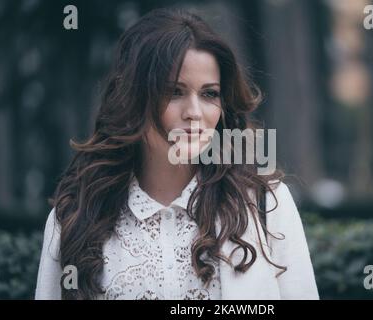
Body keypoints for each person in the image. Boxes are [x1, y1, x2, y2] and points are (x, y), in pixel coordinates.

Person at [35, 7, 319, 300]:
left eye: (209, 94)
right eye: (174, 92)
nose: (195, 113)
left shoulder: (266, 204)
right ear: (133, 100)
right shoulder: (74, 218)